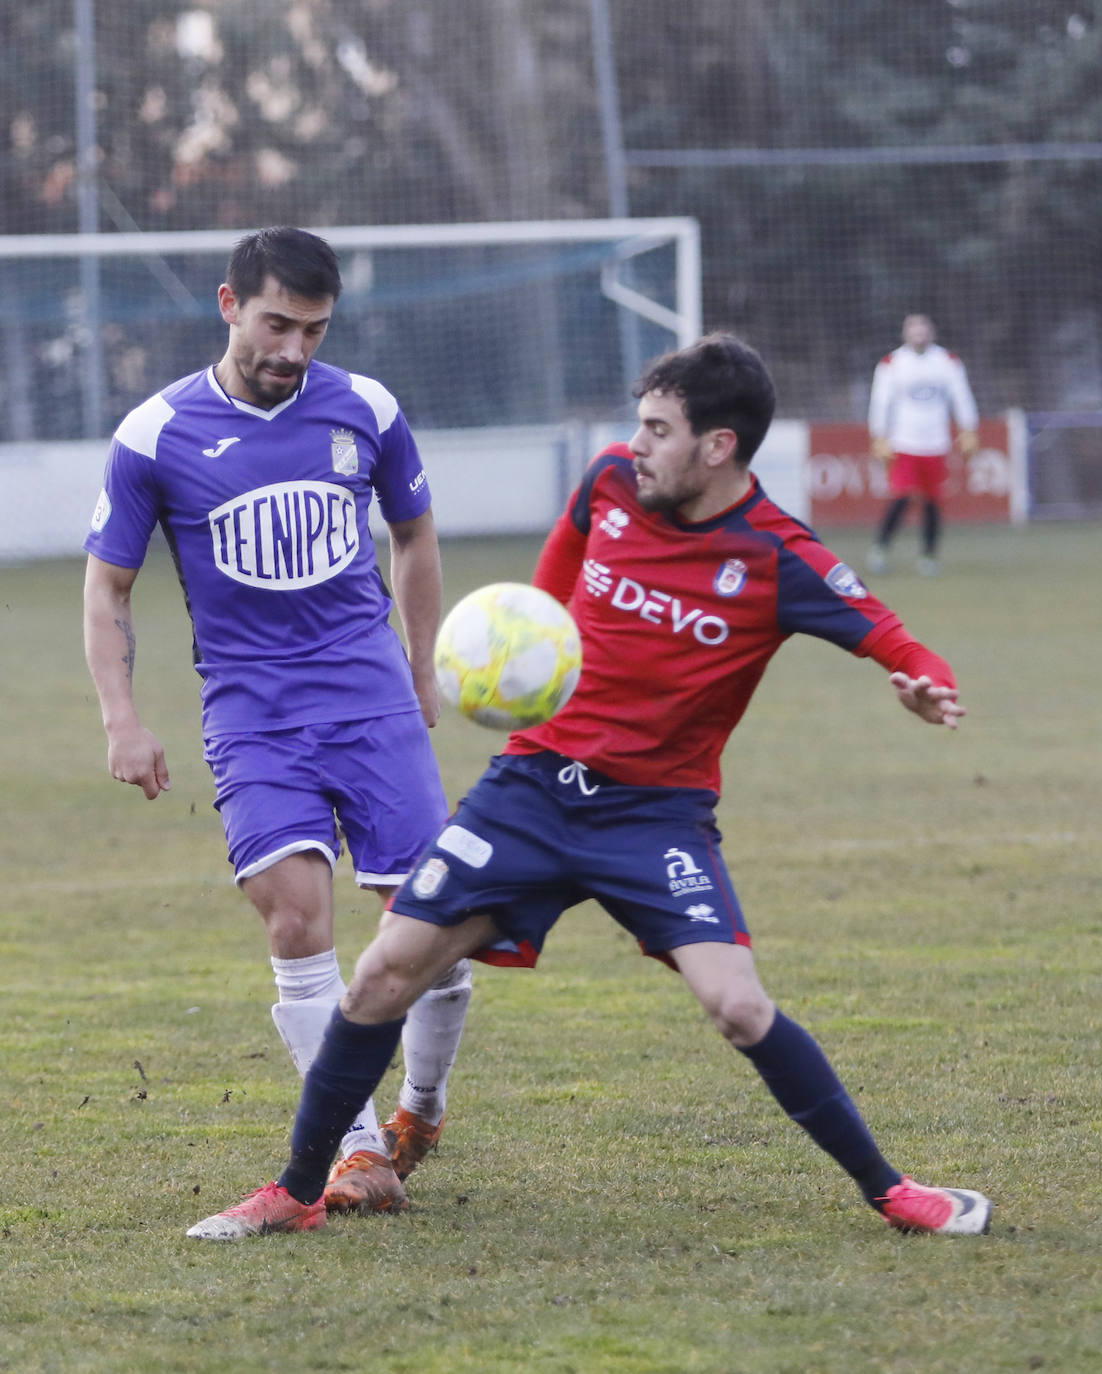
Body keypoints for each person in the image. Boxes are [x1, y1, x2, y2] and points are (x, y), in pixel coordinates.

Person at [187, 331, 993, 1241]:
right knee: (380, 975)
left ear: (718, 446)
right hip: (528, 792)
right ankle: (295, 1192)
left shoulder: (777, 557)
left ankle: (892, 1192)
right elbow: (542, 601)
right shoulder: (609, 482)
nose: (635, 445)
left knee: (735, 1003)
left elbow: (892, 637)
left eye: (657, 429)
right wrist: (516, 668)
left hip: (654, 818)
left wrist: (923, 682)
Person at [83, 226, 472, 1216]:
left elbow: (416, 533)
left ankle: (421, 1105)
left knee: (430, 931)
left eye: (313, 328)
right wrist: (121, 717)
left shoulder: (367, 409)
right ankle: (353, 1149)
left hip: (371, 698)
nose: (294, 348)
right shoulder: (155, 435)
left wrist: (419, 666)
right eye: (275, 323)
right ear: (228, 305)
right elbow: (109, 585)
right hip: (253, 712)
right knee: (296, 916)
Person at [866, 313, 979, 576]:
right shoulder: (891, 363)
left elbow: (961, 396)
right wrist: (879, 435)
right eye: (913, 330)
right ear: (905, 334)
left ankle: (929, 555)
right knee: (902, 496)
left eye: (923, 329)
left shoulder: (948, 362)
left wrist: (969, 428)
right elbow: (880, 402)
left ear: (931, 332)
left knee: (933, 501)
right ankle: (880, 548)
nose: (919, 335)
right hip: (904, 442)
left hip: (936, 444)